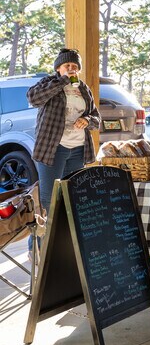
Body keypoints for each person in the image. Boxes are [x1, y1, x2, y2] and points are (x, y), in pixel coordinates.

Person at [26, 48, 100, 250]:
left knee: (72, 198)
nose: (72, 69)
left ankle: (64, 248)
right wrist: (62, 81)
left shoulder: (84, 89)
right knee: (49, 201)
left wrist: (87, 120)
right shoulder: (49, 83)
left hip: (77, 149)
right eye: (68, 66)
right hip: (52, 149)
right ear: (58, 68)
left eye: (75, 67)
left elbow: (96, 117)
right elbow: (33, 98)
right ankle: (38, 248)